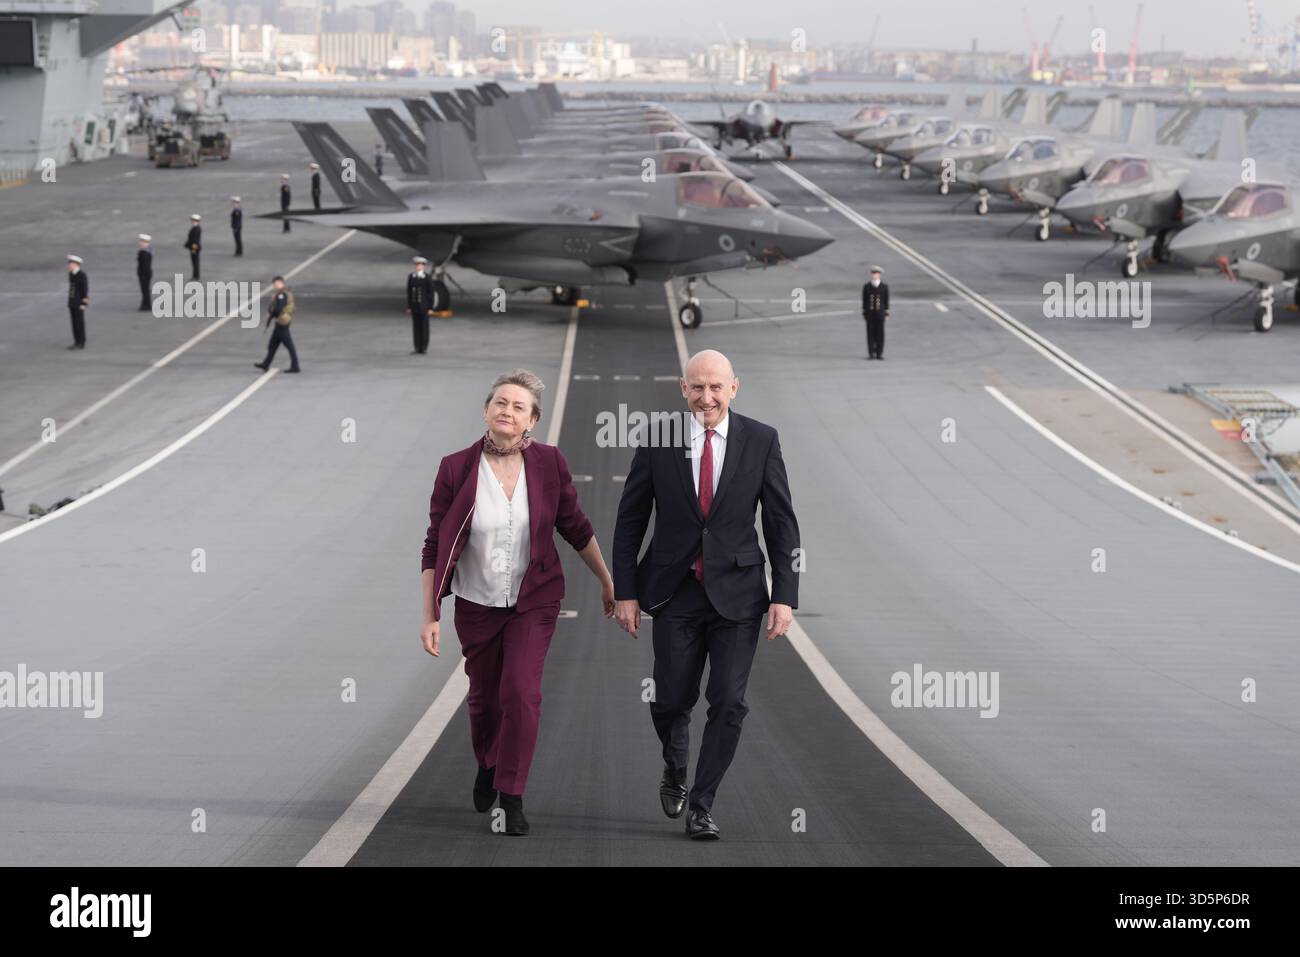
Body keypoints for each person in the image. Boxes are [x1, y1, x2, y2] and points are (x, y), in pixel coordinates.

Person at [613, 349, 800, 841]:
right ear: (683, 388)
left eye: (716, 387)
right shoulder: (657, 437)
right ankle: (675, 766)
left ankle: (702, 803)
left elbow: (780, 520)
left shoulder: (761, 440)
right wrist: (625, 591)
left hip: (739, 596)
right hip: (675, 592)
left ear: (735, 387)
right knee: (672, 699)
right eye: (697, 387)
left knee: (729, 702)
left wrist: (786, 594)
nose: (707, 396)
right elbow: (631, 518)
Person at [420, 370, 615, 836]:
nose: (508, 411)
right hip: (475, 603)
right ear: (486, 410)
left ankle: (511, 795)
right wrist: (429, 613)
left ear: (533, 421)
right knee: (485, 699)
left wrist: (607, 580)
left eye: (518, 407)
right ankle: (488, 763)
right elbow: (433, 543)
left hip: (534, 601)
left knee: (521, 694)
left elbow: (575, 525)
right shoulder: (456, 468)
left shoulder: (549, 463)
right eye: (501, 403)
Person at [254, 276, 300, 373]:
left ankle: (295, 366)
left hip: (282, 322)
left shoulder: (281, 295)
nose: (274, 286)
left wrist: (271, 314)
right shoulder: (284, 293)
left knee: (289, 345)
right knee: (273, 344)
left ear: (281, 283)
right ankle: (266, 364)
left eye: (276, 283)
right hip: (281, 322)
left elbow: (279, 308)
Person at [407, 255, 434, 354]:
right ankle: (417, 347)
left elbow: (430, 293)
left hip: (424, 307)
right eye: (417, 265)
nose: (418, 267)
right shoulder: (411, 277)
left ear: (423, 266)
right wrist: (409, 306)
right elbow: (409, 292)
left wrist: (430, 307)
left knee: (424, 327)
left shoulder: (426, 277)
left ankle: (424, 347)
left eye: (420, 265)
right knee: (416, 327)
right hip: (415, 306)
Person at [862, 264, 890, 360]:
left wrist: (886, 312)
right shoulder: (867, 286)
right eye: (873, 273)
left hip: (880, 313)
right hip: (870, 314)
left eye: (876, 273)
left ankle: (879, 353)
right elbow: (864, 300)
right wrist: (864, 312)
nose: (874, 275)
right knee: (870, 334)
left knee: (880, 334)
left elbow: (886, 300)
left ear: (879, 275)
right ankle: (871, 353)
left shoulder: (884, 287)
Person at [66, 255, 89, 350]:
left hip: (79, 303)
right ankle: (76, 341)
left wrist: (84, 304)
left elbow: (84, 291)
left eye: (70, 264)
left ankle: (81, 342)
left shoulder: (82, 275)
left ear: (76, 264)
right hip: (72, 303)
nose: (68, 266)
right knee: (74, 324)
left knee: (79, 323)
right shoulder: (71, 274)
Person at [136, 234, 153, 312]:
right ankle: (145, 304)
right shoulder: (148, 250)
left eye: (142, 242)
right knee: (145, 290)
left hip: (144, 274)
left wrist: (143, 275)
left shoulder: (144, 252)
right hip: (147, 273)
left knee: (145, 290)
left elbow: (145, 265)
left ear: (146, 243)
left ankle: (146, 305)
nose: (140, 243)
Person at [185, 214, 202, 281]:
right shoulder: (195, 227)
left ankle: (196, 276)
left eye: (193, 220)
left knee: (195, 262)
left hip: (194, 247)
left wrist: (194, 248)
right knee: (195, 262)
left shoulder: (196, 228)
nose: (192, 221)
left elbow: (196, 239)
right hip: (194, 247)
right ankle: (195, 275)